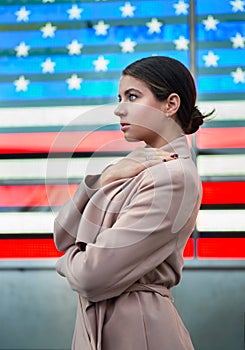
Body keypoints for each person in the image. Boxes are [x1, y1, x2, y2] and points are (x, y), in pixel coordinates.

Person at [54, 56, 211, 350]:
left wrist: (66, 262)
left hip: (140, 333)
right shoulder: (136, 166)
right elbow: (62, 234)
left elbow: (91, 275)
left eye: (133, 96)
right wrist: (102, 179)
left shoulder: (173, 177)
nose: (119, 108)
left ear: (170, 104)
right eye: (120, 97)